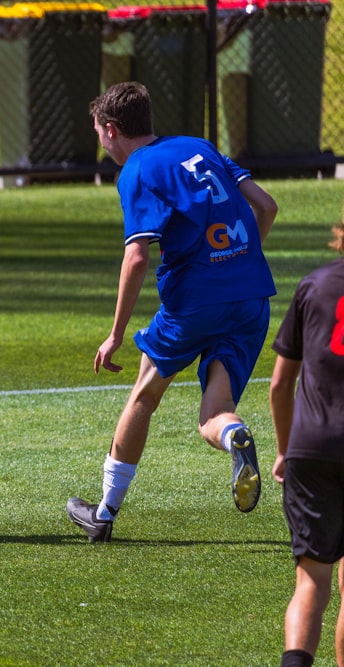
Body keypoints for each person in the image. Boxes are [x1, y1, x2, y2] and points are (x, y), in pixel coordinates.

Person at [65, 81, 279, 542]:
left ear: (112, 128)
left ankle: (102, 515)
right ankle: (235, 437)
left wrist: (116, 333)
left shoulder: (137, 170)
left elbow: (137, 256)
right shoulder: (199, 146)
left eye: (99, 132)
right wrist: (239, 261)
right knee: (214, 414)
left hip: (193, 303)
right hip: (252, 297)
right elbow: (266, 205)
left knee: (145, 392)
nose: (100, 142)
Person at [270, 219, 344, 667]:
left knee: (311, 582)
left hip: (310, 447)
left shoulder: (313, 285)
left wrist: (284, 449)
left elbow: (281, 385)